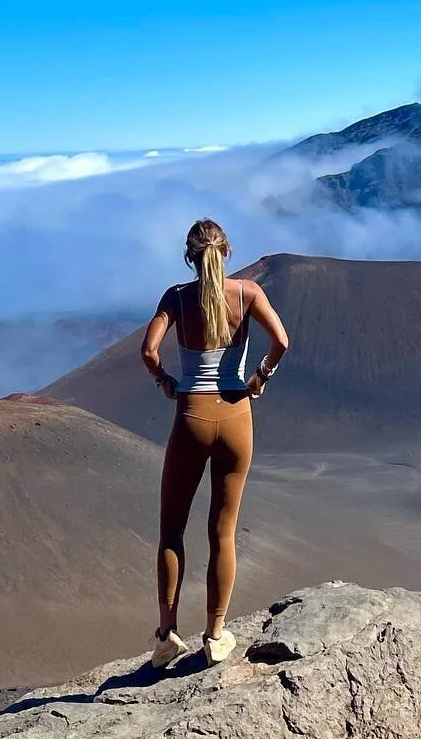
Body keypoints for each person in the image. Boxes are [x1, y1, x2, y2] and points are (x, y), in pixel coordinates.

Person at [139, 218, 289, 667]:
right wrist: (260, 377)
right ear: (226, 252)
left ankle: (167, 635)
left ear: (190, 256)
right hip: (237, 415)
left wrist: (166, 381)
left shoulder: (176, 299)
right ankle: (216, 634)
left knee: (172, 531)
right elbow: (281, 340)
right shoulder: (247, 293)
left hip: (192, 416)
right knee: (222, 532)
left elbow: (148, 351)